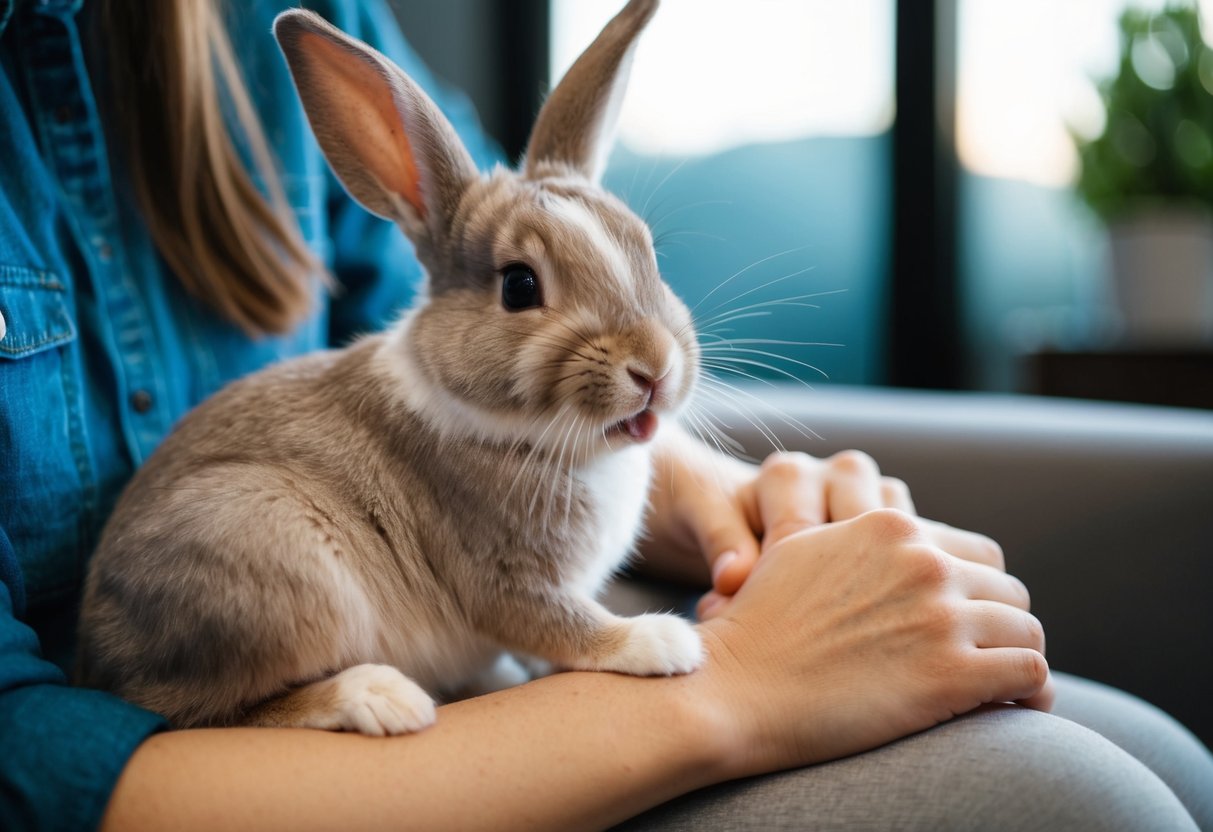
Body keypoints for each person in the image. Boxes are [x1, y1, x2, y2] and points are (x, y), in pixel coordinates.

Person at [1, 1, 1209, 830]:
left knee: (1153, 754)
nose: (644, 354)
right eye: (529, 293)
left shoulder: (231, 20)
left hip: (468, 673)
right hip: (207, 709)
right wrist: (733, 680)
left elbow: (522, 214)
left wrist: (732, 511)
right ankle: (290, 691)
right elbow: (500, 572)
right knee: (1071, 802)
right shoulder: (439, 408)